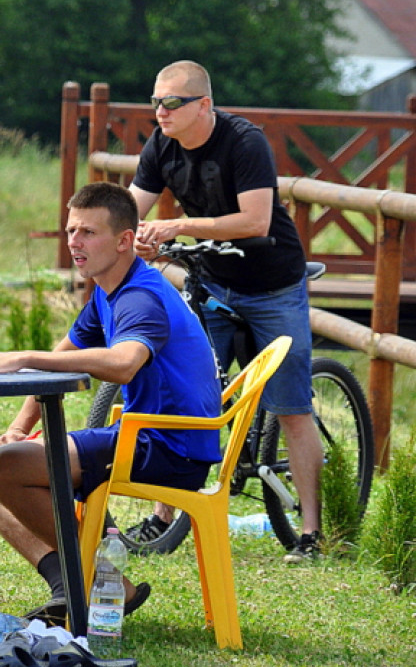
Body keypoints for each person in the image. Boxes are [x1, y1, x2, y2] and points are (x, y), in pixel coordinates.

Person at [0, 181, 221, 626]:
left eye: (88, 233)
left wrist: (24, 356)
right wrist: (21, 427)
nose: (74, 243)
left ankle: (106, 582)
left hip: (171, 447)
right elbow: (64, 355)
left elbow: (122, 364)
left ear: (123, 241)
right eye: (70, 231)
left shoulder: (140, 296)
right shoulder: (108, 289)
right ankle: (78, 587)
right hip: (145, 434)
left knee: (3, 467)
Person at [129, 59, 323, 561]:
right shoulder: (161, 145)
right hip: (213, 281)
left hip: (272, 284)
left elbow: (256, 221)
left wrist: (175, 228)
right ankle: (162, 516)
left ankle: (310, 533)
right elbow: (130, 209)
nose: (161, 111)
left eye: (172, 102)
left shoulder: (244, 141)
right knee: (183, 393)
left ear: (204, 105)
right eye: (155, 101)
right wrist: (131, 239)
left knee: (291, 406)